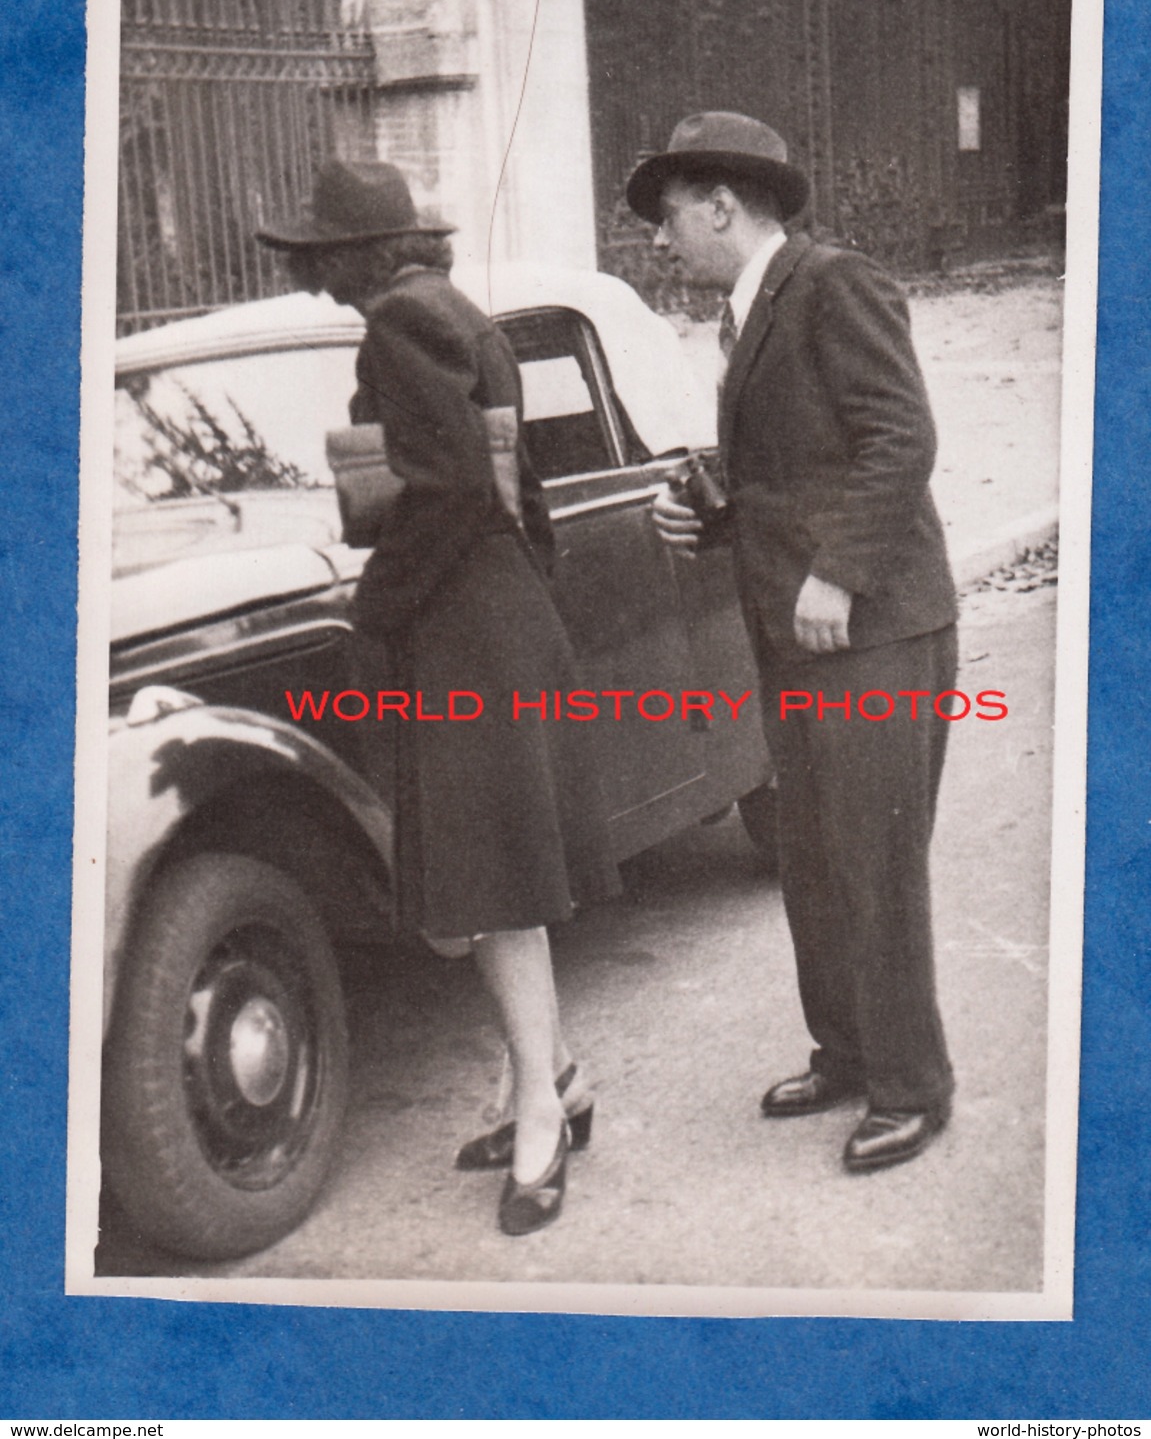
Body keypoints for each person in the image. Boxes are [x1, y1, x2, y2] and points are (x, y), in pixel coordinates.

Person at [257, 160, 617, 1233]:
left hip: (462, 630)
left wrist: (378, 606)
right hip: (497, 616)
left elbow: (452, 487)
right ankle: (552, 1081)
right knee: (496, 873)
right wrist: (521, 592)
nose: (309, 270)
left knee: (490, 886)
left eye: (316, 252)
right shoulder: (456, 310)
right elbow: (514, 483)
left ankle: (542, 1127)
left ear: (348, 256)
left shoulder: (396, 327)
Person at [628, 112, 958, 1173]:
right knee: (810, 860)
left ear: (721, 204)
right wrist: (713, 514)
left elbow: (898, 435)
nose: (658, 240)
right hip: (803, 635)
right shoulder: (749, 312)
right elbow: (797, 470)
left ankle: (912, 1086)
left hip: (873, 630)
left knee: (873, 861)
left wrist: (835, 573)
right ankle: (848, 1053)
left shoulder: (831, 282)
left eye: (668, 215)